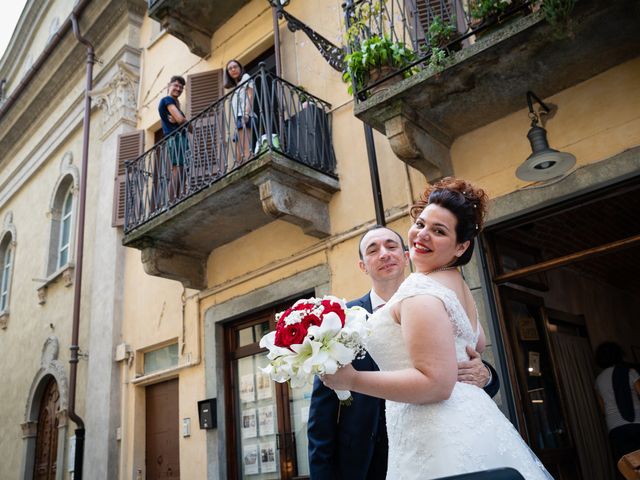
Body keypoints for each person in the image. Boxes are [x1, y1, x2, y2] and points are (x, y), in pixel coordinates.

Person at [322, 178, 552, 479]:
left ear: (461, 247)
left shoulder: (421, 287)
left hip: (436, 434)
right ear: (362, 265)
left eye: (439, 231)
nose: (422, 235)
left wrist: (351, 378)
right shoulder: (458, 286)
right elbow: (476, 344)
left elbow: (436, 384)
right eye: (421, 224)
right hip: (470, 424)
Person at [308, 224, 500, 479]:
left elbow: (467, 359)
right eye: (373, 250)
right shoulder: (340, 319)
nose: (385, 254)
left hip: (432, 442)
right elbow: (321, 412)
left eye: (391, 246)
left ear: (406, 255)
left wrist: (486, 375)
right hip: (364, 461)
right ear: (363, 266)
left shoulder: (437, 298)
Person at [594, 341, 640, 478]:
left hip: (615, 429)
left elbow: (602, 410)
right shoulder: (629, 372)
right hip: (636, 422)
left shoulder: (598, 380)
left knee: (631, 469)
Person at [158, 75, 188, 200]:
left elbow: (184, 123)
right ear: (168, 86)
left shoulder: (176, 105)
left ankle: (178, 196)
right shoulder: (167, 100)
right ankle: (172, 200)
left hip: (181, 138)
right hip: (175, 138)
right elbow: (181, 120)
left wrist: (181, 120)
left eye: (181, 87)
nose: (179, 88)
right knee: (177, 168)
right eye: (175, 85)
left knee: (182, 168)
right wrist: (181, 120)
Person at [224, 59, 256, 166]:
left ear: (240, 68)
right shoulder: (236, 88)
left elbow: (250, 96)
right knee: (238, 158)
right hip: (239, 118)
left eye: (235, 67)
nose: (233, 69)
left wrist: (246, 114)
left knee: (246, 152)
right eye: (230, 68)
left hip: (245, 116)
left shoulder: (246, 77)